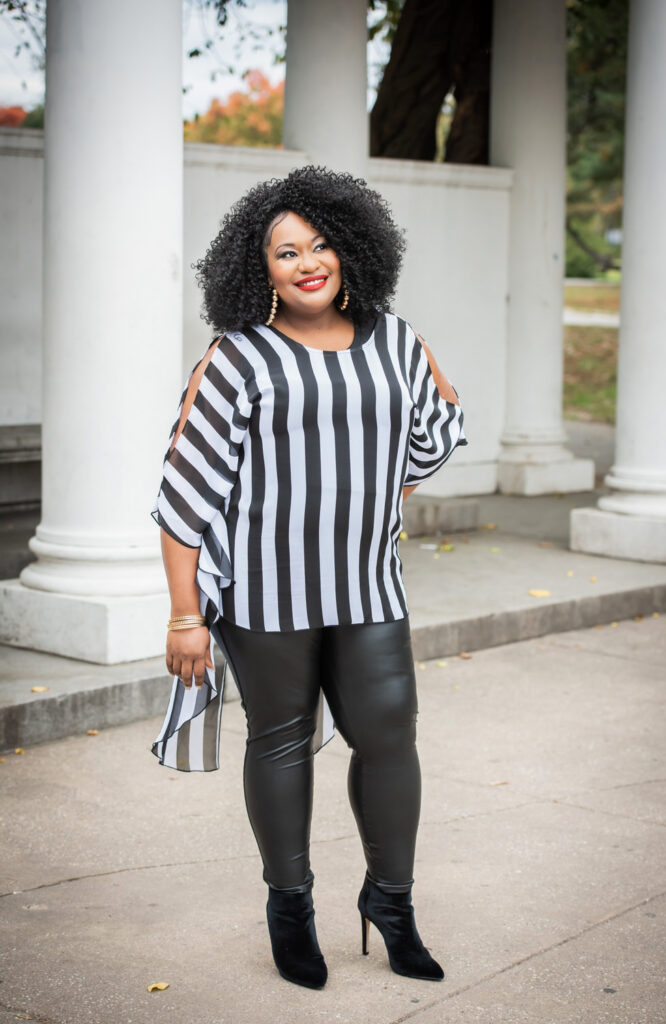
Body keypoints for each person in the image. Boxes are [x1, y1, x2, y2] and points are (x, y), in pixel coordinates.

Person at [150, 165, 468, 990]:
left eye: (321, 243)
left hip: (367, 586)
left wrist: (428, 372)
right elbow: (184, 490)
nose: (307, 262)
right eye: (285, 252)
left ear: (352, 247)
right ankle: (289, 910)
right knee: (282, 739)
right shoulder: (236, 357)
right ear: (258, 272)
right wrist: (186, 615)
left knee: (390, 733)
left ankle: (389, 903)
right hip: (266, 593)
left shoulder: (394, 339)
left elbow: (424, 449)